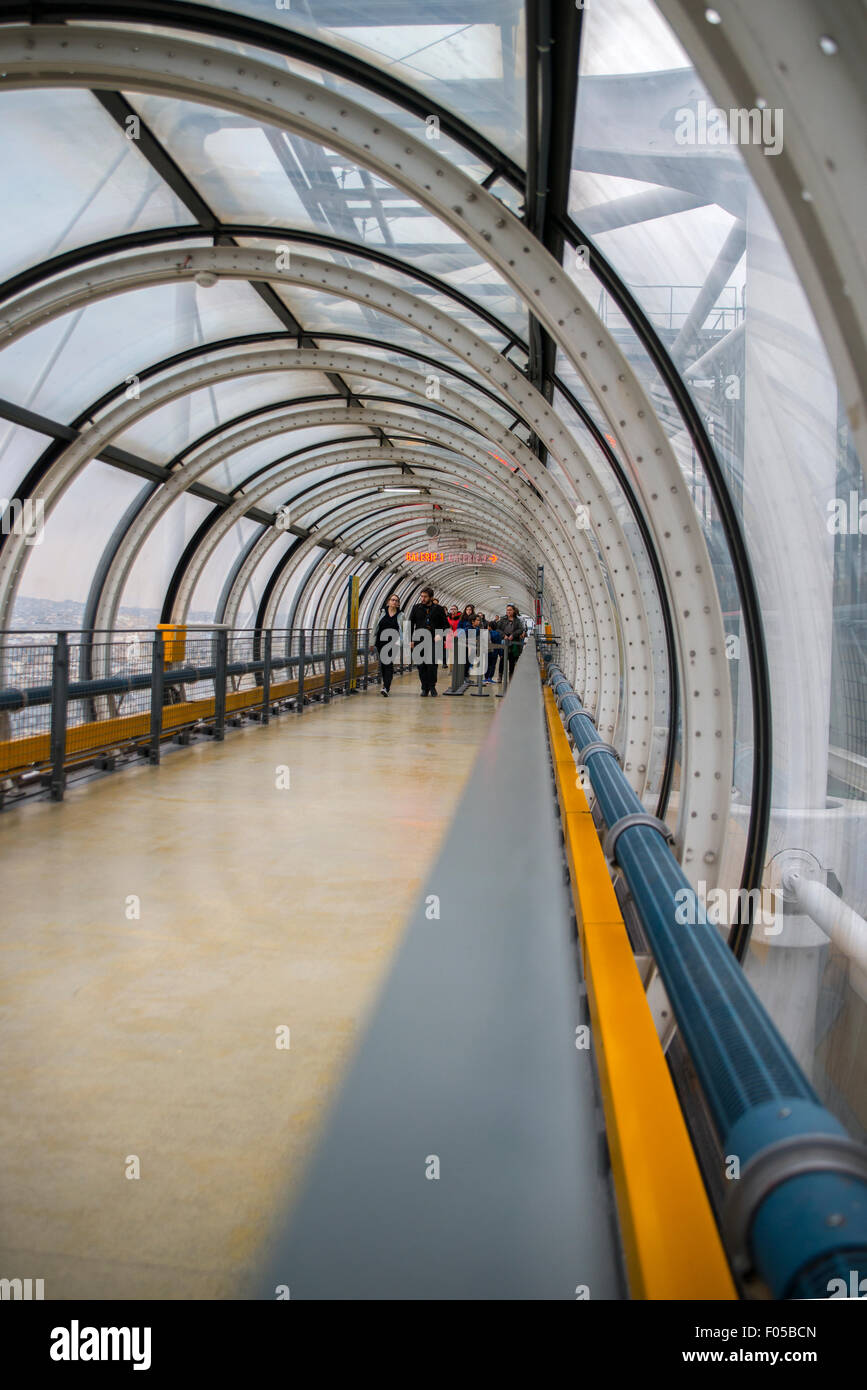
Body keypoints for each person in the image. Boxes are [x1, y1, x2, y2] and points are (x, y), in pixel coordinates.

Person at [408, 586, 448, 696]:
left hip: (434, 640)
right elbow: (411, 624)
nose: (423, 598)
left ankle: (432, 686)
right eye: (421, 596)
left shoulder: (438, 609)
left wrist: (440, 635)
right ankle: (424, 687)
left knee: (432, 665)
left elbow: (446, 626)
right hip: (419, 640)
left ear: (431, 597)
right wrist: (410, 640)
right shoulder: (416, 608)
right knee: (421, 665)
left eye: (425, 596)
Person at [374, 593, 402, 697]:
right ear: (388, 601)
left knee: (388, 664)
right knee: (383, 664)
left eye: (396, 600)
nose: (394, 602)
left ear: (398, 604)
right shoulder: (382, 613)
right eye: (392, 600)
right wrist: (372, 643)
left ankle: (386, 687)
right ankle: (385, 685)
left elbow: (404, 629)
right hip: (381, 642)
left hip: (393, 643)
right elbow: (375, 627)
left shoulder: (401, 615)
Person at [499, 604, 525, 678]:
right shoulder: (503, 619)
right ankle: (500, 675)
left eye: (510, 610)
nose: (508, 611)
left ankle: (511, 675)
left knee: (512, 660)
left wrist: (513, 635)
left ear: (513, 611)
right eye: (507, 610)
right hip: (504, 642)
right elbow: (498, 629)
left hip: (514, 643)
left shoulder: (517, 621)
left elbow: (521, 629)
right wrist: (503, 635)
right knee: (502, 660)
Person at [486, 616, 504, 683]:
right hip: (495, 652)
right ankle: (490, 678)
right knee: (493, 665)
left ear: (490, 627)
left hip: (487, 652)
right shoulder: (498, 634)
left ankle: (486, 677)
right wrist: (501, 654)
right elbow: (499, 645)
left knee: (487, 665)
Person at [444, 604, 460, 670]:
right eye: (452, 609)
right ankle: (451, 669)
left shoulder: (460, 618)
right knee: (450, 654)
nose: (453, 610)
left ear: (457, 610)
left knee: (457, 653)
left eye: (454, 609)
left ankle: (457, 667)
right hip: (449, 637)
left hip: (457, 636)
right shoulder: (448, 618)